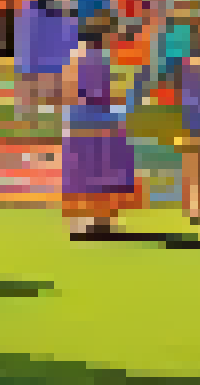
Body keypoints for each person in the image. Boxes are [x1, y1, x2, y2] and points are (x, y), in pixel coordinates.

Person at [57, 12, 142, 238]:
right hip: (96, 121)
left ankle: (94, 221)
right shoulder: (95, 58)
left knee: (91, 174)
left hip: (88, 120)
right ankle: (98, 220)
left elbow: (69, 91)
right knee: (100, 173)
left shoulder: (82, 56)